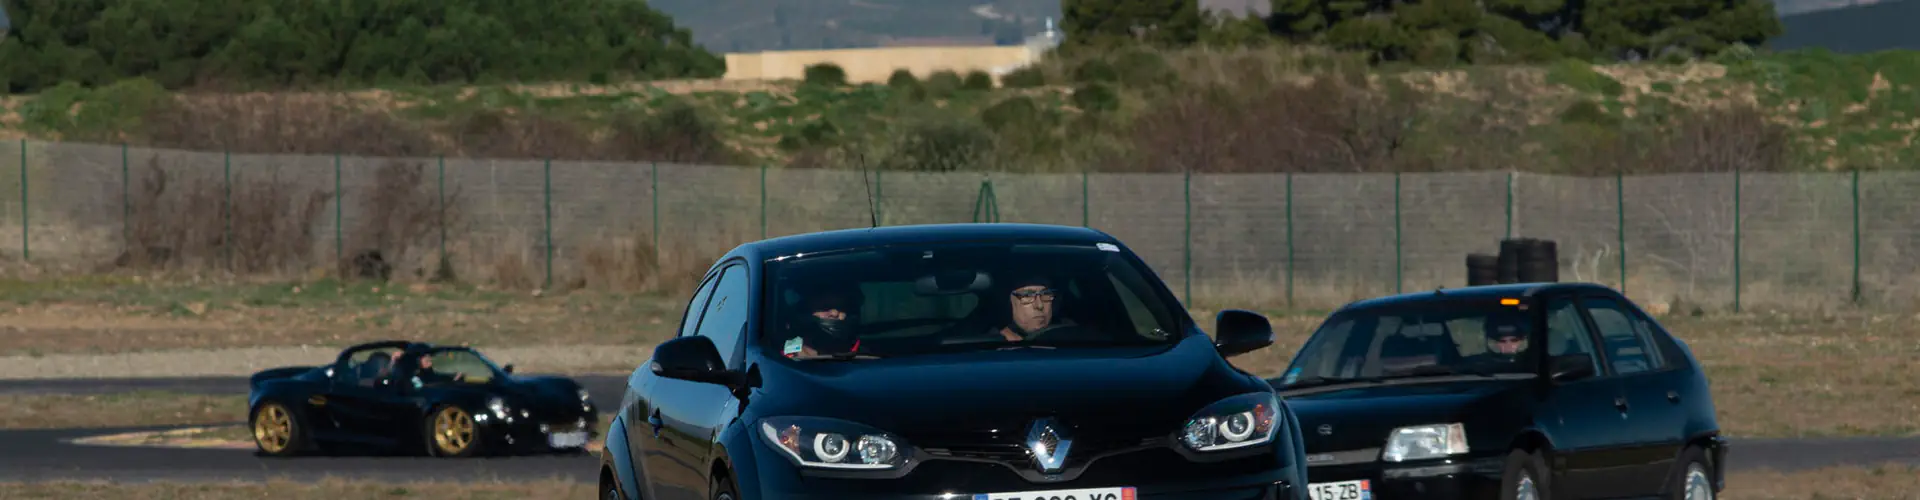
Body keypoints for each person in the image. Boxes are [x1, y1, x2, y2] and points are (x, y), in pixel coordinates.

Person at [781, 283, 865, 359]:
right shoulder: (781, 362)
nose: (835, 313)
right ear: (804, 311)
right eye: (824, 307)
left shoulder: (866, 358)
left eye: (841, 308)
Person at [993, 274, 1076, 342]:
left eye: (1045, 294)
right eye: (1027, 295)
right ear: (1009, 303)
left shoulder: (1071, 339)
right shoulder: (990, 346)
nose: (1039, 305)